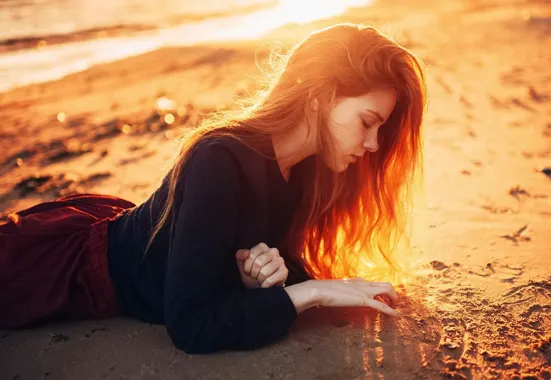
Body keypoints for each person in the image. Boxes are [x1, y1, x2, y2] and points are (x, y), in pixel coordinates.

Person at [0, 23, 426, 354]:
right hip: (63, 268)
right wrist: (312, 292)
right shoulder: (219, 158)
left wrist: (262, 280)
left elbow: (238, 261)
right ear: (319, 95)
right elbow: (191, 326)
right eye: (367, 122)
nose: (372, 145)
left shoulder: (300, 174)